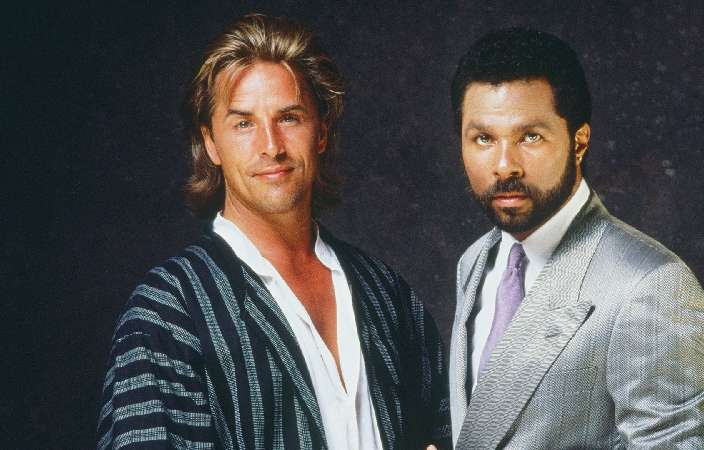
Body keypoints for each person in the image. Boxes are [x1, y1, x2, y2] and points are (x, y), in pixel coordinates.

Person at [97, 13, 450, 450]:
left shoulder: (386, 294)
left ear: (321, 131)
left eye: (289, 117)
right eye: (243, 123)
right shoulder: (169, 311)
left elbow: (449, 430)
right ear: (211, 143)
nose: (271, 146)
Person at [448, 28, 704, 449]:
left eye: (530, 137)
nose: (505, 165)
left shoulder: (651, 286)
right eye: (483, 138)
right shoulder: (475, 261)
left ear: (579, 143)